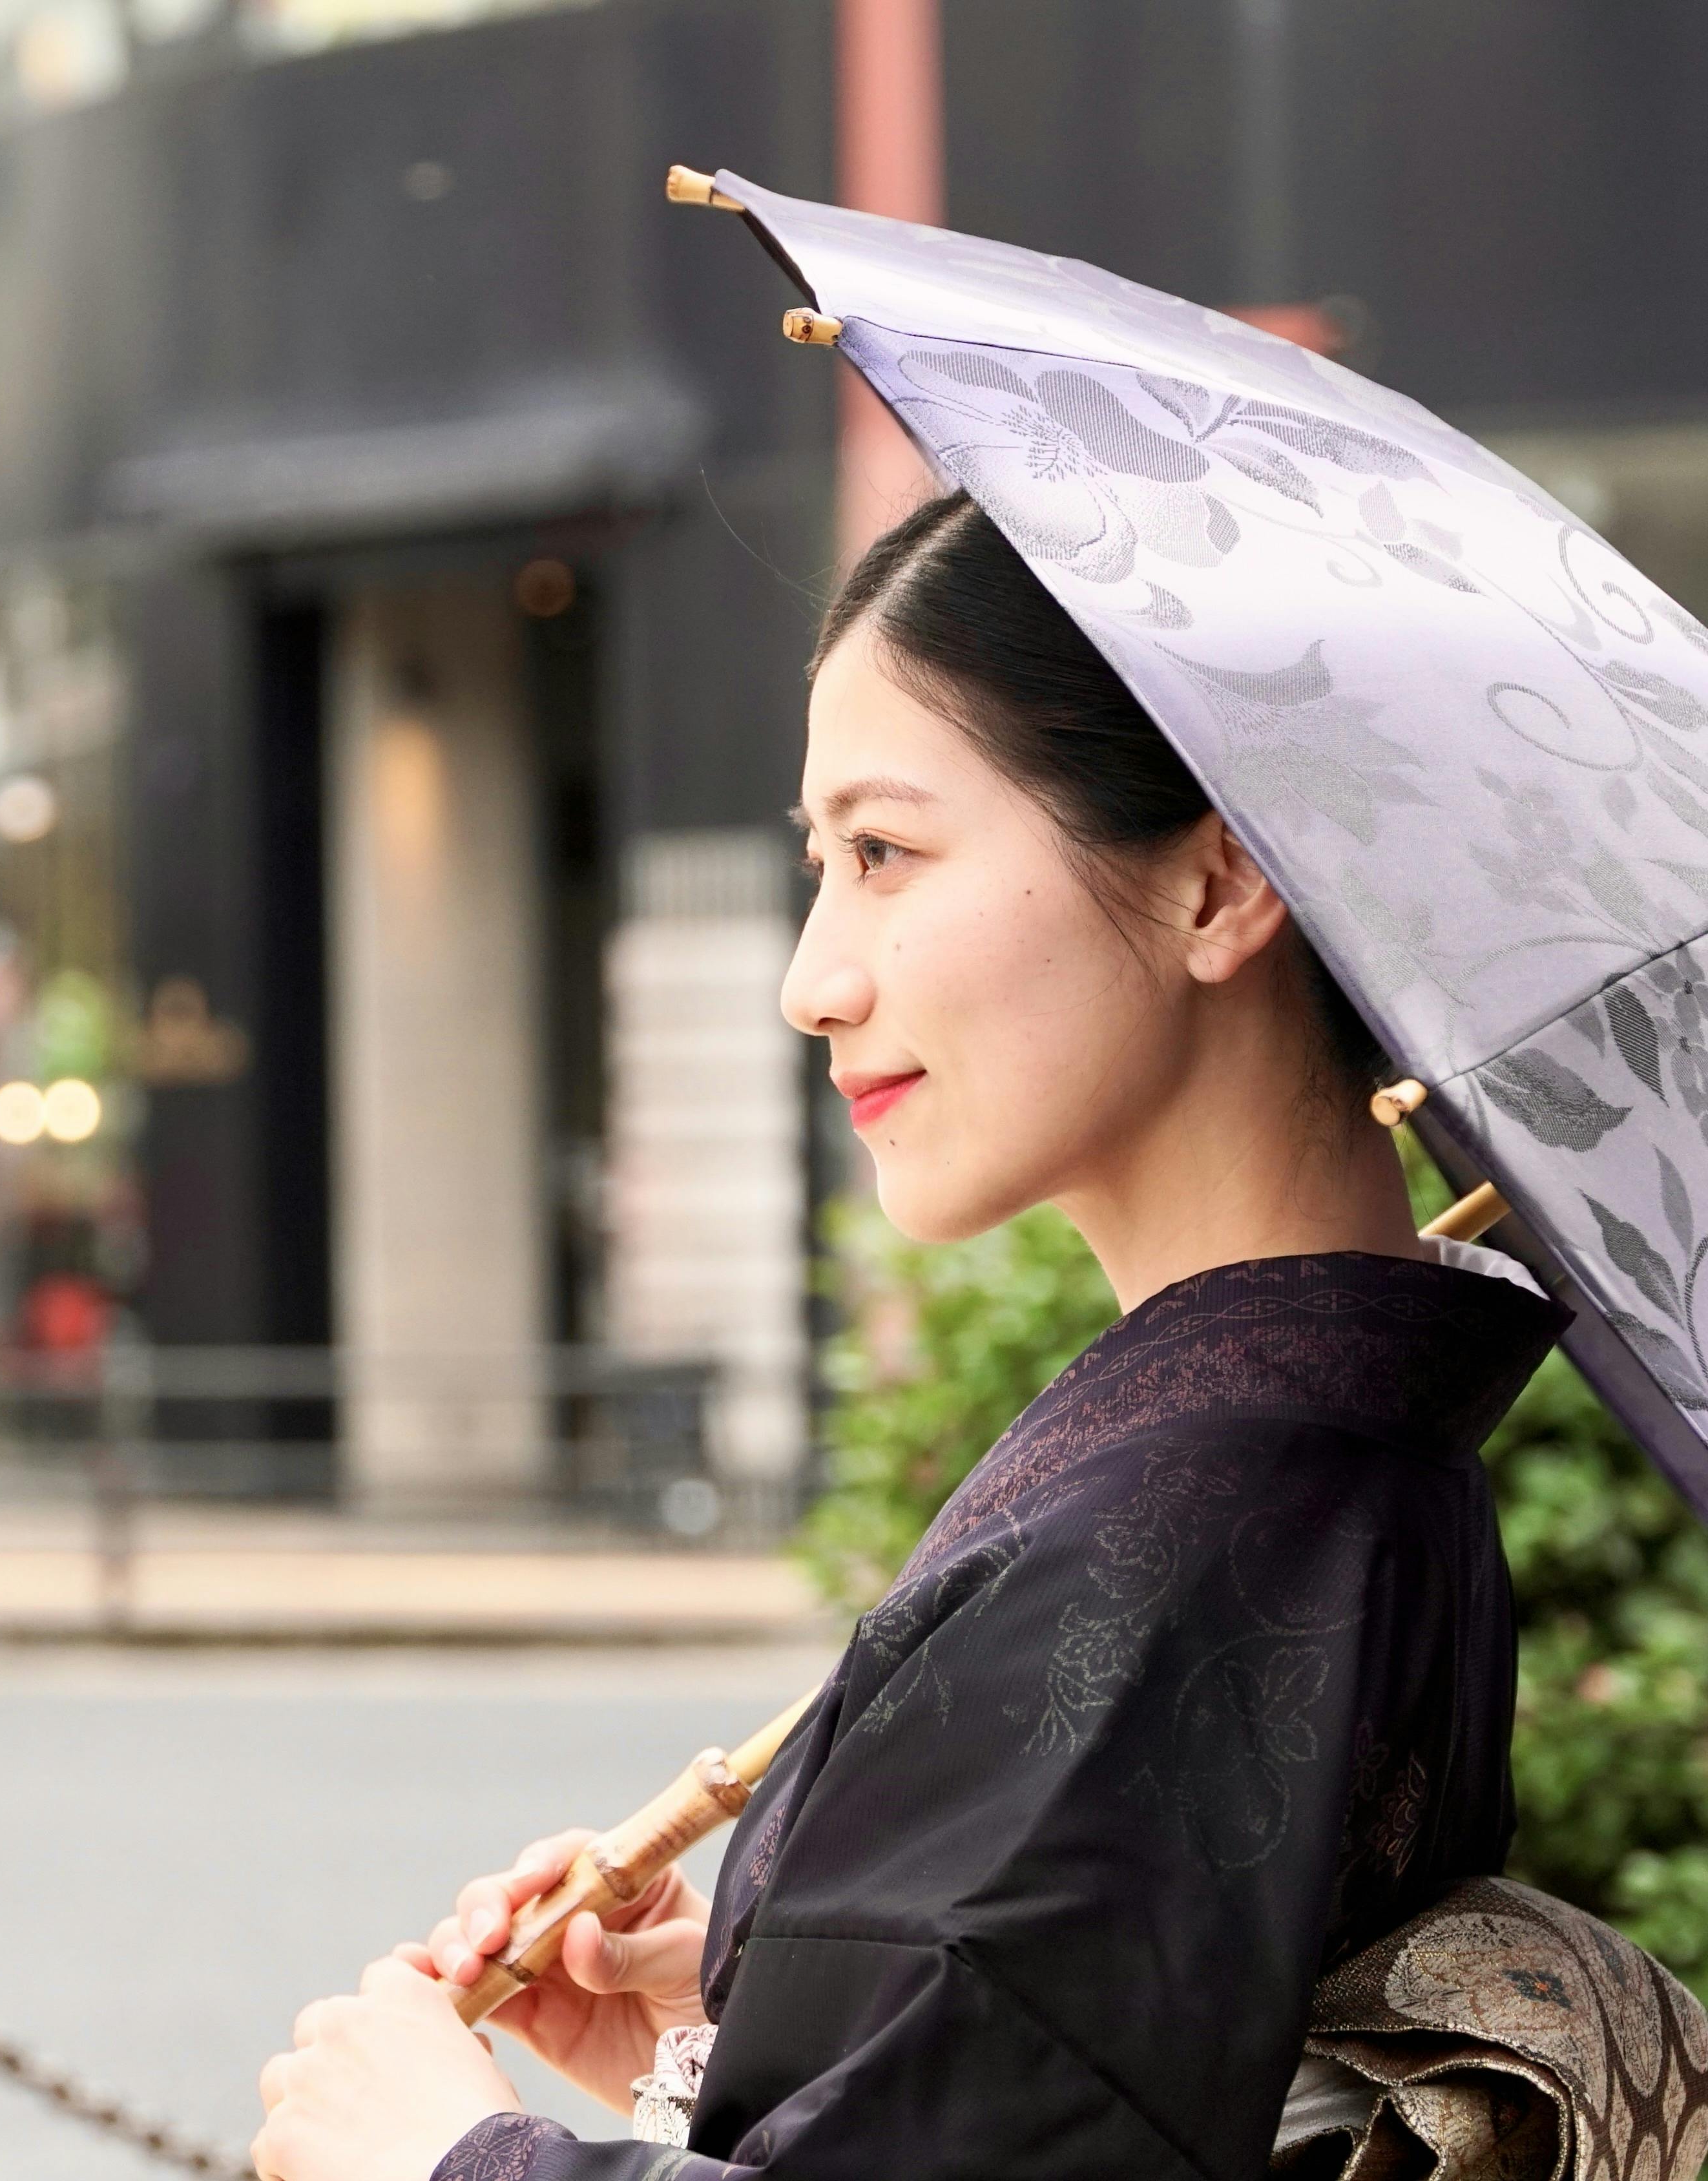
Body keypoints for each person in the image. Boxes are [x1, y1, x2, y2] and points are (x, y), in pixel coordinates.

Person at [251, 492, 1568, 2181]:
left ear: (1220, 882)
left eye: (885, 854)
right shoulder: (1348, 1465)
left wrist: (444, 2161)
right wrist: (752, 2040)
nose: (815, 978)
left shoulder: (1172, 1551)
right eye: (823, 867)